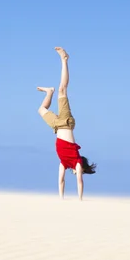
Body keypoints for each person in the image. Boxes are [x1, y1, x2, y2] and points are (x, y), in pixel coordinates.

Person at [37, 47, 96, 200]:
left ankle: (49, 92)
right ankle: (64, 59)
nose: (79, 172)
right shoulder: (76, 161)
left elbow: (61, 180)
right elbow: (79, 182)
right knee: (62, 90)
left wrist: (61, 199)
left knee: (41, 109)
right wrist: (80, 199)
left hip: (56, 126)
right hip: (66, 122)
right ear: (81, 167)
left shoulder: (64, 163)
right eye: (81, 171)